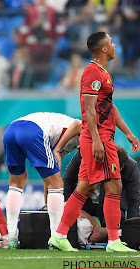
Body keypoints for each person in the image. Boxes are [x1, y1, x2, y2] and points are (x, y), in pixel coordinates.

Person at [48, 31, 140, 253]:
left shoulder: (103, 74)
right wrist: (98, 140)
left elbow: (108, 107)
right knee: (114, 186)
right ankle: (113, 241)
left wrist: (127, 132)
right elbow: (89, 110)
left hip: (101, 137)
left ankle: (59, 236)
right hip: (98, 138)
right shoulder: (92, 73)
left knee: (85, 188)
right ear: (104, 49)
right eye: (111, 42)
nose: (115, 45)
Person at [3, 112, 82, 249]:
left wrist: (48, 206)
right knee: (57, 183)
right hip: (32, 130)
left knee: (17, 182)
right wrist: (57, 150)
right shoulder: (88, 133)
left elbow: (49, 181)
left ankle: (11, 237)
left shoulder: (71, 142)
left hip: (11, 130)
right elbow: (78, 124)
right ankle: (57, 238)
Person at [63, 146, 140, 225]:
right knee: (79, 224)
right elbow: (68, 181)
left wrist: (132, 227)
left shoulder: (130, 167)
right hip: (85, 201)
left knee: (117, 224)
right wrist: (70, 208)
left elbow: (133, 199)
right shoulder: (82, 156)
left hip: (113, 203)